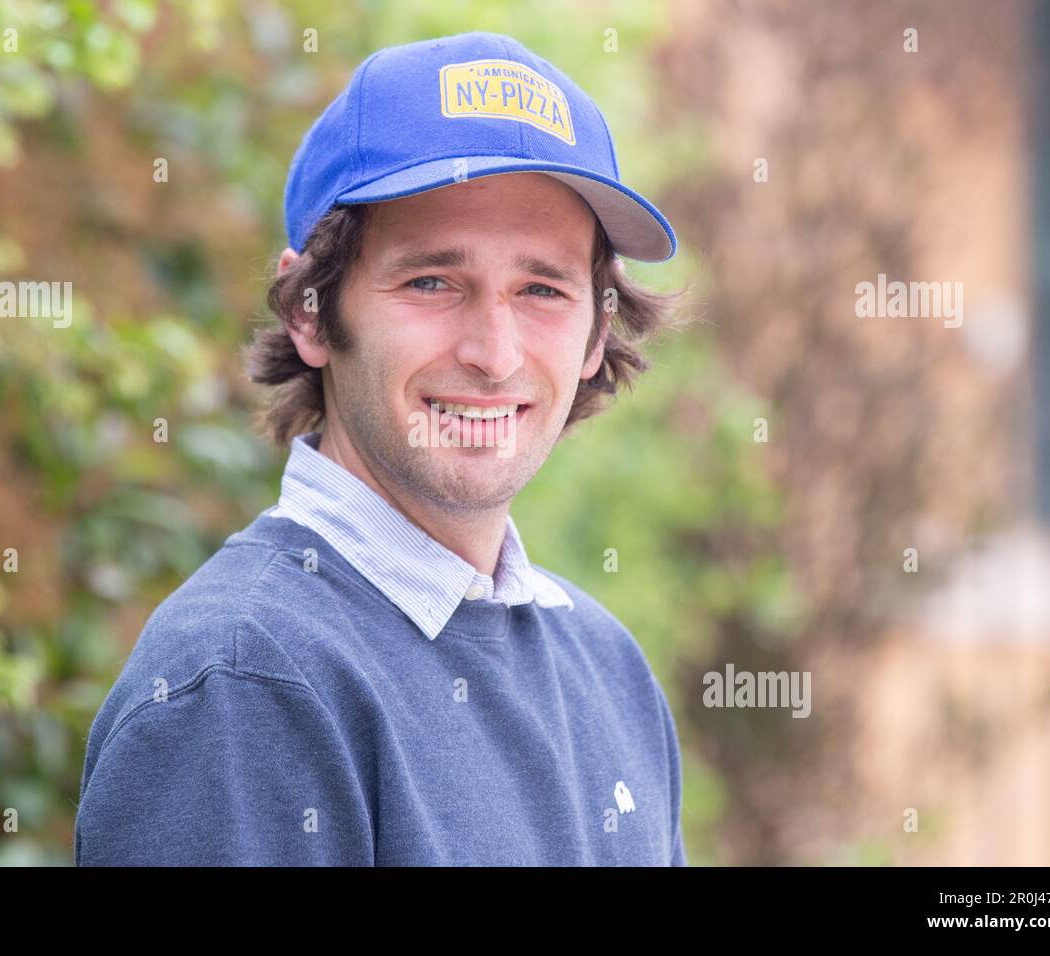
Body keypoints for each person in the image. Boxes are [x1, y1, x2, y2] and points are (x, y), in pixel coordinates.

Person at [75, 30, 688, 866]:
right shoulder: (243, 687)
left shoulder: (609, 673)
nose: (495, 352)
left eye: (542, 288)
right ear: (311, 310)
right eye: (433, 281)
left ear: (596, 334)